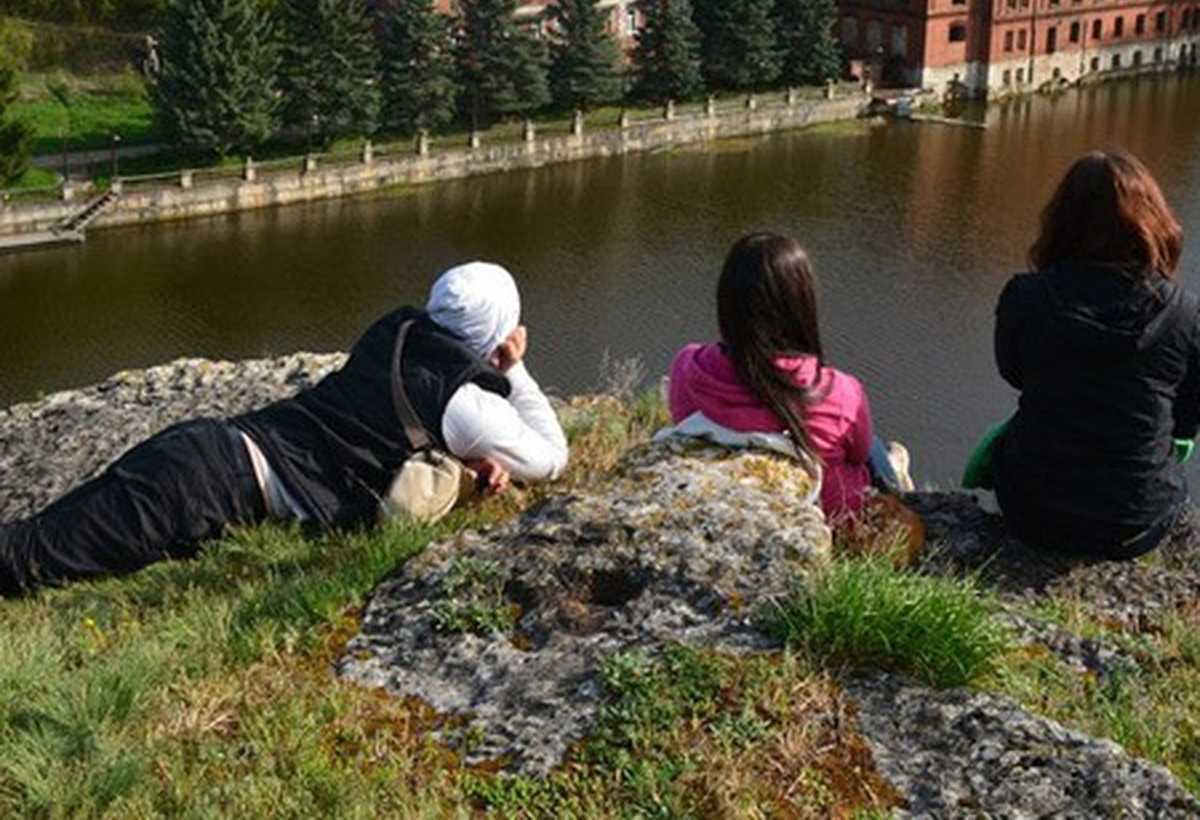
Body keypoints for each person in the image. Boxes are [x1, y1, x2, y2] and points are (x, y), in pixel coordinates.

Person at [0, 261, 567, 596]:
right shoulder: (465, 404)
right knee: (26, 562)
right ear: (495, 330)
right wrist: (514, 367)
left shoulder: (397, 332)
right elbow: (551, 458)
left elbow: (389, 427)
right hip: (207, 485)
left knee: (37, 540)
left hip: (207, 452)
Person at [991, 149, 1200, 559]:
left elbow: (1014, 372)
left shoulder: (1025, 297)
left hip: (1031, 512)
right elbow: (1186, 422)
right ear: (1153, 222)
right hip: (1136, 523)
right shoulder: (1185, 315)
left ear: (1061, 222)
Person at [666, 230, 912, 519]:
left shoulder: (690, 367)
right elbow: (857, 456)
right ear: (802, 304)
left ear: (727, 302)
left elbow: (683, 419)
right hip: (832, 514)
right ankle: (898, 480)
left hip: (724, 500)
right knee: (872, 446)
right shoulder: (839, 391)